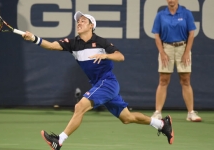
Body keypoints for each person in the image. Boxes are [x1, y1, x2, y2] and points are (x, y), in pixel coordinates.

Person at [22, 11, 174, 150]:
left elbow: (120, 56)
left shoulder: (101, 42)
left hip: (107, 82)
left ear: (91, 26)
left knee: (80, 106)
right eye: (78, 21)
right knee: (127, 118)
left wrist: (105, 55)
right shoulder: (73, 43)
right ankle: (161, 124)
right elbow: (52, 46)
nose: (79, 23)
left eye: (83, 21)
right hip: (99, 85)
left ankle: (59, 140)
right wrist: (34, 38)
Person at [151, 0, 201, 122]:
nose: (171, 1)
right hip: (166, 48)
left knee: (185, 79)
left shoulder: (186, 13)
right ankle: (157, 112)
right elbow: (157, 35)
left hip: (183, 48)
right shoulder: (161, 15)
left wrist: (186, 52)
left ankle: (191, 113)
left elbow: (191, 33)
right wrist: (162, 52)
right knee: (163, 80)